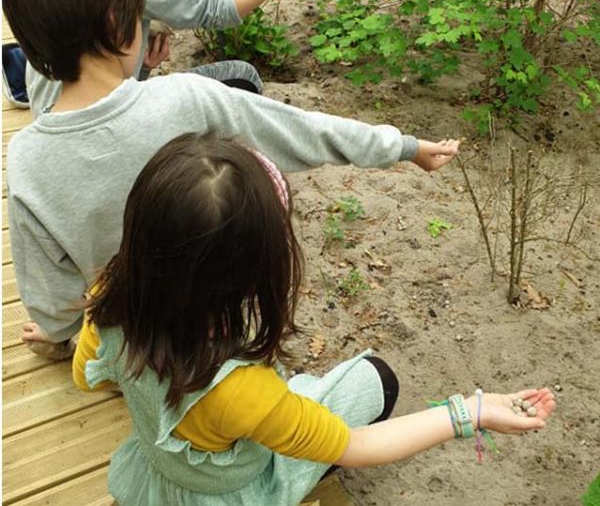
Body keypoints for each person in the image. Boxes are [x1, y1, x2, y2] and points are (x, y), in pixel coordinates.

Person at [73, 134, 556, 505]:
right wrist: (468, 412)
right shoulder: (243, 392)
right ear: (251, 273)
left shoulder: (107, 301)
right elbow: (353, 446)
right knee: (378, 381)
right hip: (232, 489)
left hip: (162, 480)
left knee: (298, 400)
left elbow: (86, 377)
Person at [4, 0, 460, 359]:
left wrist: (59, 340)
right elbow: (304, 132)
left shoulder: (25, 158)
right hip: (214, 325)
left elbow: (54, 307)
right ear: (115, 24)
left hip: (129, 350)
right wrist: (405, 147)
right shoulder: (185, 99)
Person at [25, 0, 276, 115]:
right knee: (243, 81)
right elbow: (218, 6)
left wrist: (140, 68)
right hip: (105, 121)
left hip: (55, 112)